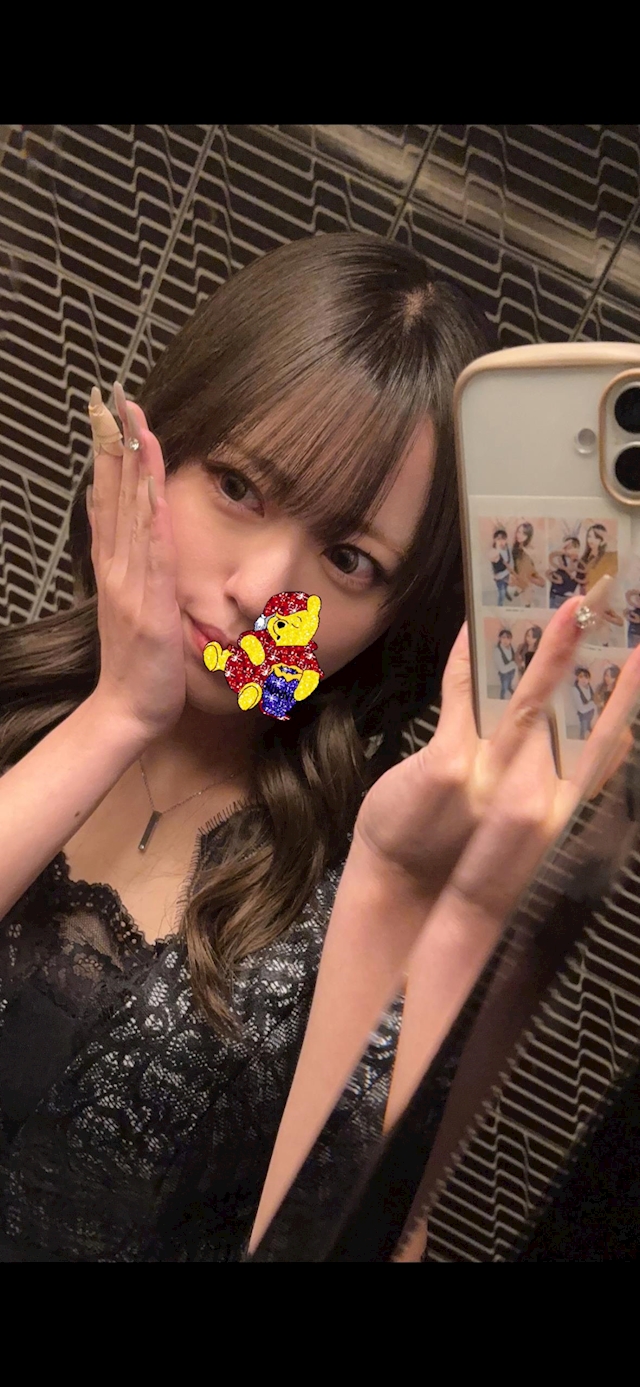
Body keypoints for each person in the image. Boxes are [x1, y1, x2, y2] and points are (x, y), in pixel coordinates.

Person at [0, 233, 636, 1265]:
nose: (260, 591)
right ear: (163, 445)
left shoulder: (356, 892)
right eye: (238, 486)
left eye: (348, 558)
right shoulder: (15, 696)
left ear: (396, 618)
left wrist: (439, 904)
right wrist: (118, 712)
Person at [508, 522, 546, 607]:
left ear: (528, 536)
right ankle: (519, 590)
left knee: (527, 597)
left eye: (524, 534)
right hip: (519, 574)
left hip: (528, 576)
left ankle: (527, 603)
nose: (520, 535)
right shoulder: (516, 546)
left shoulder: (529, 550)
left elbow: (536, 564)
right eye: (519, 532)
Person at [547, 536, 581, 609]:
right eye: (568, 547)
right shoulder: (558, 559)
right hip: (557, 596)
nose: (571, 550)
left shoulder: (579, 563)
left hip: (571, 599)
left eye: (574, 547)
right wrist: (563, 546)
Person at [489, 528, 513, 606]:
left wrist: (511, 572)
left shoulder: (508, 549)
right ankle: (500, 605)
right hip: (499, 576)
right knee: (501, 593)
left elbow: (511, 560)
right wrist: (494, 575)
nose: (501, 541)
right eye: (498, 539)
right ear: (494, 540)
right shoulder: (493, 551)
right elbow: (491, 566)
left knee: (505, 586)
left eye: (503, 539)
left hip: (507, 573)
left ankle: (506, 592)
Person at [572, 666, 597, 740]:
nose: (583, 679)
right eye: (581, 677)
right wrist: (592, 704)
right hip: (583, 718)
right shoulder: (575, 690)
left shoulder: (590, 688)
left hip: (592, 716)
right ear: (577, 677)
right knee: (583, 735)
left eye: (586, 677)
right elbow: (581, 709)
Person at [493, 628, 517, 698]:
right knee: (504, 687)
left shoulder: (511, 647)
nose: (505, 640)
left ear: (511, 639)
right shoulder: (497, 651)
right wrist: (514, 664)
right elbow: (502, 669)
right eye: (503, 637)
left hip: (512, 671)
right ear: (500, 638)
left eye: (508, 638)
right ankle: (502, 697)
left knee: (509, 683)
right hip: (504, 674)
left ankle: (509, 688)